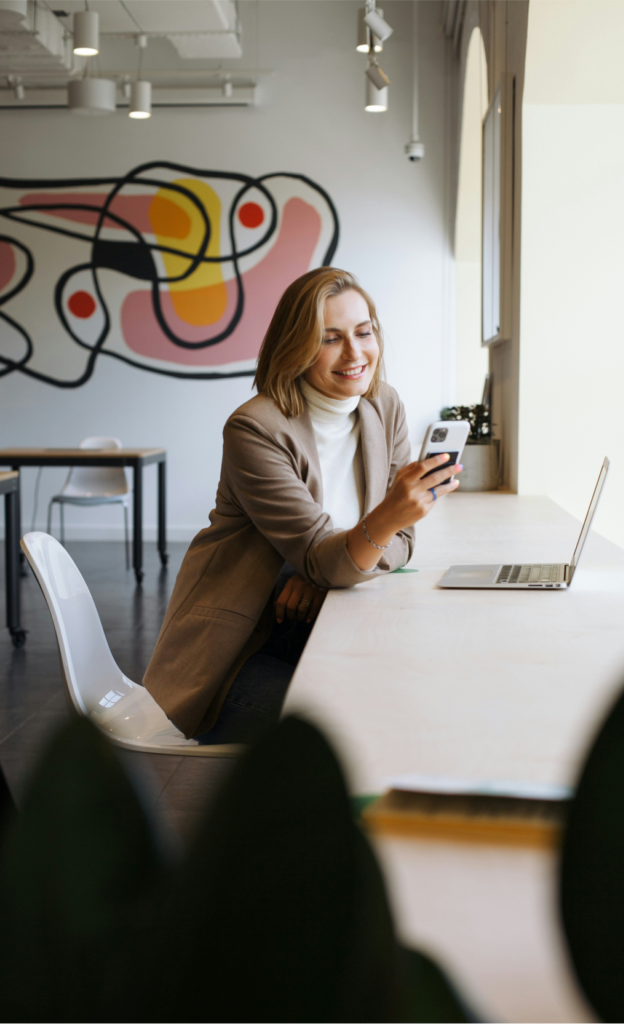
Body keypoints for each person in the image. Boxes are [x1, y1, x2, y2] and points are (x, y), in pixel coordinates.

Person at [143, 268, 461, 743]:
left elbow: (402, 544)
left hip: (324, 619)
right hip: (250, 646)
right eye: (330, 338)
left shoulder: (384, 407)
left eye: (363, 332)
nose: (355, 353)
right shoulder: (255, 429)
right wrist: (338, 559)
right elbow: (336, 553)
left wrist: (326, 576)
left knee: (422, 696)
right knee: (349, 733)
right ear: (295, 347)